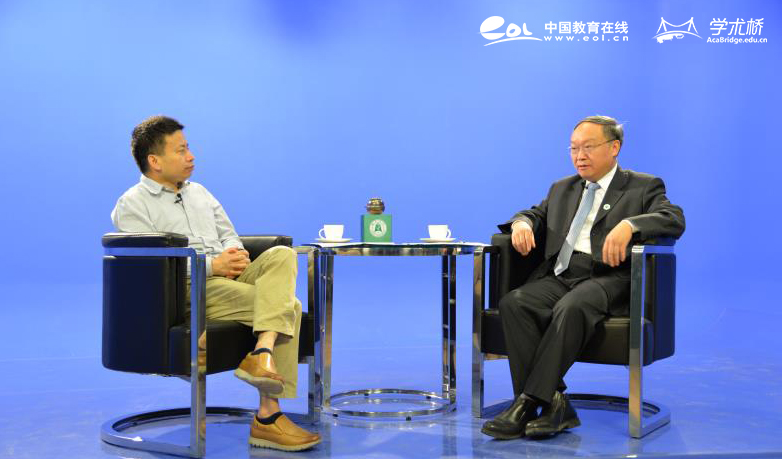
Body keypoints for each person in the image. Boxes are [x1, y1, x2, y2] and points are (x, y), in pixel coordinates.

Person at [111, 115, 321, 452]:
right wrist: (212, 266)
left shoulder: (200, 193)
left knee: (282, 254)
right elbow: (153, 267)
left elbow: (228, 234)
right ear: (155, 161)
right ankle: (268, 416)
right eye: (181, 150)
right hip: (189, 289)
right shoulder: (133, 204)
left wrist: (235, 254)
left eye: (188, 147)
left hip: (231, 276)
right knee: (290, 306)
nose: (191, 155)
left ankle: (262, 352)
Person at [481, 115, 685, 440]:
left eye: (588, 147)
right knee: (515, 303)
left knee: (572, 306)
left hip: (609, 278)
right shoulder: (562, 188)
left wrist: (630, 225)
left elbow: (673, 218)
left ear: (614, 147)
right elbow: (535, 213)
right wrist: (521, 223)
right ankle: (555, 404)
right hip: (563, 274)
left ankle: (527, 403)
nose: (580, 156)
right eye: (574, 148)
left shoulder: (643, 186)